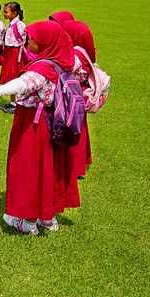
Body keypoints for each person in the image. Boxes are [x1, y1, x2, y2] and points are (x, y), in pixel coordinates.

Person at [0, 21, 78, 234]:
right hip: (52, 122)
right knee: (48, 168)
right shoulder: (63, 62)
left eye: (33, 39)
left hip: (32, 124)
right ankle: (48, 217)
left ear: (46, 42)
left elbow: (23, 84)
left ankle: (27, 221)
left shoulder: (41, 69)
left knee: (28, 169)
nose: (29, 41)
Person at [62, 19, 98, 178]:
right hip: (78, 94)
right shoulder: (83, 51)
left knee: (74, 128)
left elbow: (65, 67)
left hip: (73, 95)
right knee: (79, 128)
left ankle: (74, 167)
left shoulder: (76, 53)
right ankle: (79, 163)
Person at [0, 2, 27, 114]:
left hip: (15, 53)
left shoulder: (19, 25)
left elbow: (25, 39)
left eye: (6, 12)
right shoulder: (11, 24)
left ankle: (17, 103)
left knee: (15, 77)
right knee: (10, 77)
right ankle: (13, 102)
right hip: (9, 52)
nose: (4, 14)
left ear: (14, 13)